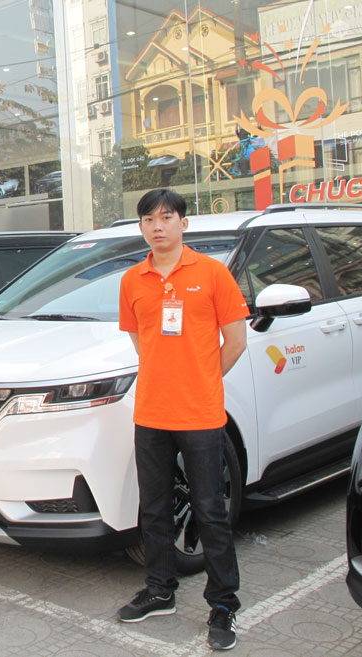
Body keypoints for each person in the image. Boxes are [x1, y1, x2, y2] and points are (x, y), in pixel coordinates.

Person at [116, 188, 248, 651]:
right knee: (153, 508)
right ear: (141, 228)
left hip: (200, 412)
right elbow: (140, 341)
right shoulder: (132, 280)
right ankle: (159, 590)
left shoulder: (212, 274)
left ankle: (224, 605)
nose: (157, 226)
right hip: (151, 412)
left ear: (183, 223)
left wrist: (201, 376)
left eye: (166, 217)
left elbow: (235, 339)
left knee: (210, 510)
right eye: (149, 219)